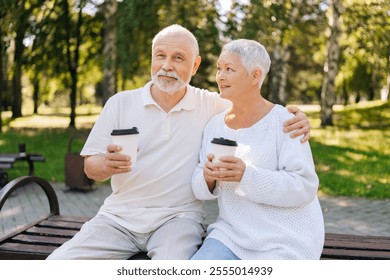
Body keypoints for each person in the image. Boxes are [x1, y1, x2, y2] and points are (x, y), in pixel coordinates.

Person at [47, 25, 311, 260]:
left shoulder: (212, 106)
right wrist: (106, 164)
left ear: (195, 66)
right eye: (160, 56)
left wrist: (295, 117)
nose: (166, 65)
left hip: (178, 220)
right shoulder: (120, 103)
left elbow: (255, 106)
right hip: (117, 218)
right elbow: (90, 168)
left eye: (178, 58)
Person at [190, 39, 324, 260]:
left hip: (285, 240)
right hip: (231, 236)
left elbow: (304, 186)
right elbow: (198, 181)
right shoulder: (214, 124)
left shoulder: (286, 122)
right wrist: (208, 178)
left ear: (255, 75)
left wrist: (247, 176)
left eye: (229, 69)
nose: (220, 76)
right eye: (219, 69)